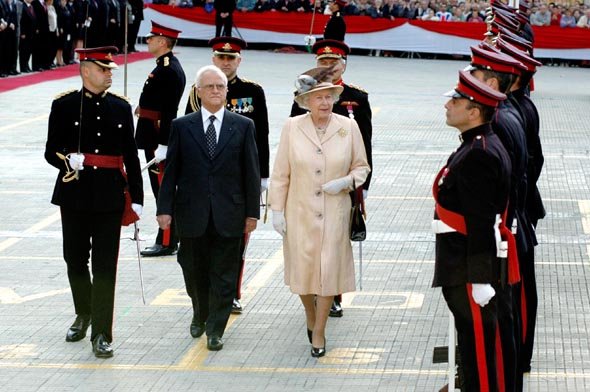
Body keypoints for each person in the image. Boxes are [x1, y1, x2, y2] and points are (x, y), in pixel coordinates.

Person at [44, 46, 143, 358]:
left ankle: (102, 332)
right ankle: (83, 312)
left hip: (110, 195)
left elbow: (131, 154)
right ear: (85, 70)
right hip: (74, 193)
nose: (110, 73)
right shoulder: (64, 105)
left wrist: (138, 197)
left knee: (104, 266)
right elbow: (50, 150)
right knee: (74, 259)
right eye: (104, 69)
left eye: (111, 69)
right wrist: (66, 161)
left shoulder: (120, 107)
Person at [156, 65, 260, 351]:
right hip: (191, 213)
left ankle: (216, 328)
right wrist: (164, 209)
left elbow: (251, 172)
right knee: (192, 268)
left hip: (230, 214)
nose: (216, 91)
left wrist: (253, 213)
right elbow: (172, 172)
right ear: (198, 91)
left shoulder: (242, 126)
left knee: (224, 274)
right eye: (210, 87)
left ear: (227, 92)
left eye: (220, 87)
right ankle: (200, 312)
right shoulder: (181, 125)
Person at [270, 67, 370, 357]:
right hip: (299, 210)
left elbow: (361, 167)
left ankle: (320, 330)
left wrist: (345, 182)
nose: (325, 103)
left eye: (329, 97)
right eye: (318, 98)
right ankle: (310, 315)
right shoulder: (292, 127)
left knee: (328, 271)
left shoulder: (348, 126)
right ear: (306, 101)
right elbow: (281, 174)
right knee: (303, 272)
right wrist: (277, 210)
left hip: (335, 211)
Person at [432, 69, 511, 392]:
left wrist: (479, 279)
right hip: (463, 264)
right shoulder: (476, 145)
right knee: (471, 349)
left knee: (479, 353)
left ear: (474, 112)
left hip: (467, 268)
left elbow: (480, 221)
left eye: (455, 101)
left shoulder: (479, 154)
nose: (448, 105)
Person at [185, 36, 270, 314]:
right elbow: (189, 133)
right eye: (221, 57)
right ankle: (207, 293)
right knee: (204, 241)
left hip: (238, 179)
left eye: (230, 58)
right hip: (207, 181)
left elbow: (263, 137)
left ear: (239, 61)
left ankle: (232, 292)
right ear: (213, 59)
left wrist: (262, 177)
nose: (225, 62)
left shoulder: (253, 91)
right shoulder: (197, 90)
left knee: (236, 243)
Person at [290, 39, 373, 318]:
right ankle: (312, 290)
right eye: (322, 63)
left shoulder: (357, 97)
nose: (328, 67)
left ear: (343, 65)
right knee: (309, 241)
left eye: (333, 63)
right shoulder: (303, 94)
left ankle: (333, 295)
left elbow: (366, 146)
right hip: (308, 182)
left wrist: (362, 187)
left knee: (336, 243)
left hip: (342, 181)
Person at [135, 21, 186, 257]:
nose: (148, 41)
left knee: (163, 190)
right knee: (159, 189)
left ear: (163, 42)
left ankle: (166, 240)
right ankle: (168, 237)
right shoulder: (162, 66)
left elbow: (168, 111)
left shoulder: (168, 70)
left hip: (158, 137)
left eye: (152, 38)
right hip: (152, 135)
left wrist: (164, 144)